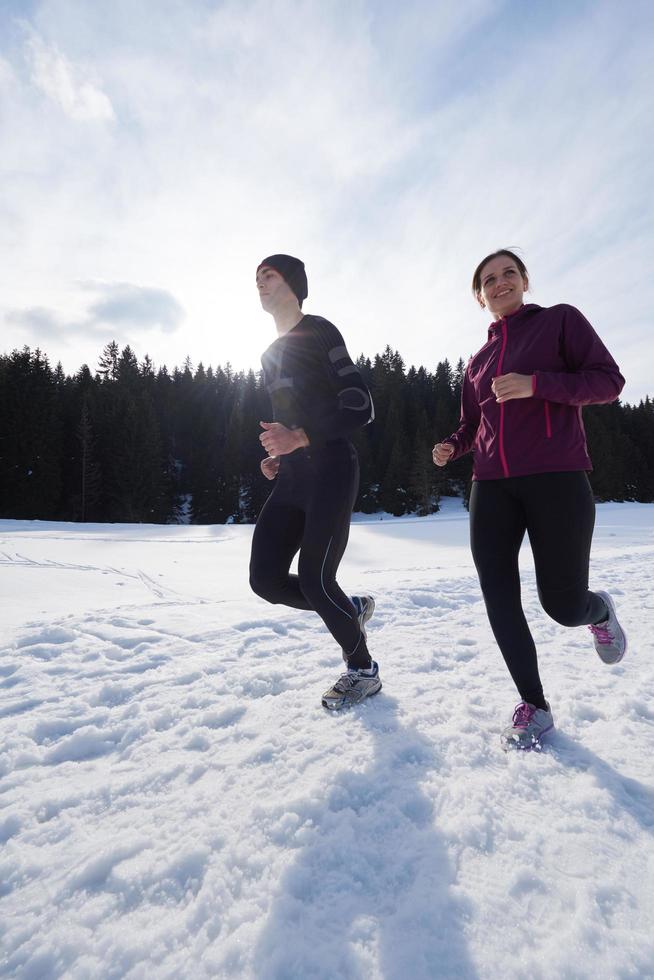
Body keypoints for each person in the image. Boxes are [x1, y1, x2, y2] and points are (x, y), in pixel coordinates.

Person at [433, 248, 627, 750]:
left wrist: (536, 384)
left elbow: (609, 382)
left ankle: (598, 612)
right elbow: (472, 423)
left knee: (561, 605)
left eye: (509, 274)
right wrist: (453, 445)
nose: (500, 283)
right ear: (480, 296)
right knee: (498, 596)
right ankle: (534, 705)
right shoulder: (475, 363)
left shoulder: (560, 322)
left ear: (524, 281)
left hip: (557, 477)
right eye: (489, 279)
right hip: (490, 485)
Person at [249, 254, 381, 710]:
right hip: (294, 479)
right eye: (256, 279)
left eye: (268, 276)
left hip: (332, 470)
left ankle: (363, 671)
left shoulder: (320, 330)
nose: (259, 284)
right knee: (264, 580)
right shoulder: (269, 354)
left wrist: (299, 437)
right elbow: (288, 421)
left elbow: (360, 404)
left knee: (315, 580)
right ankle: (352, 609)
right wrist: (280, 458)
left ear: (293, 283)